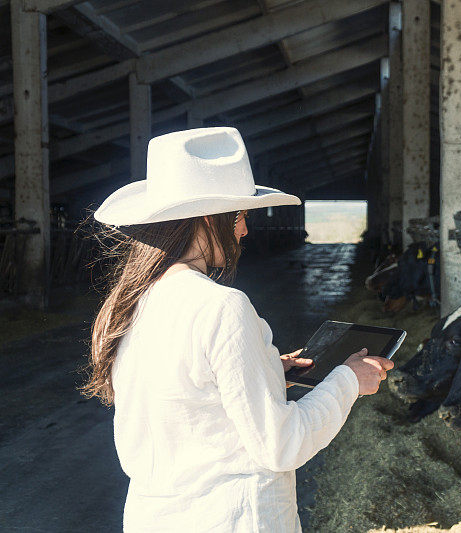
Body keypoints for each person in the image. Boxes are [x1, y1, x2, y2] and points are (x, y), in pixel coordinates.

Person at [81, 127, 394, 532]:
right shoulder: (222, 307)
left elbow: (188, 398)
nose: (245, 230)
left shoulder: (132, 306)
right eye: (241, 215)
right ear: (211, 218)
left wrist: (265, 372)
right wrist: (349, 380)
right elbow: (281, 445)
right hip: (232, 519)